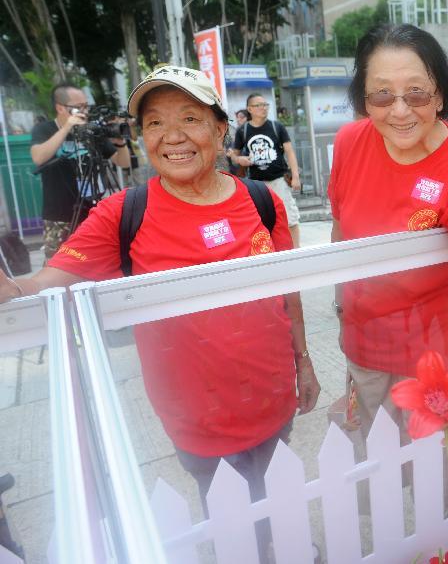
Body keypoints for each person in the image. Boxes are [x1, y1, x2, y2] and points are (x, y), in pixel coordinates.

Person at [1, 66, 320, 521]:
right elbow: (45, 281)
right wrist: (14, 287)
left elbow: (288, 290)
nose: (172, 136)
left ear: (220, 127)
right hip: (195, 420)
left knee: (277, 502)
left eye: (190, 118)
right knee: (232, 519)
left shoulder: (260, 201)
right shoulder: (124, 212)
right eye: (155, 123)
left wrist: (303, 360)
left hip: (273, 399)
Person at [329, 23, 448, 443]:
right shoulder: (350, 143)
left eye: (417, 93)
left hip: (433, 359)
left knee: (432, 478)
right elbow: (339, 231)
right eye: (382, 94)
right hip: (365, 344)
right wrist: (342, 311)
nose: (400, 111)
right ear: (364, 98)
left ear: (440, 95)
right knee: (371, 465)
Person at [30, 83, 131, 260]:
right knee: (58, 265)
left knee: (100, 263)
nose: (84, 111)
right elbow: (39, 157)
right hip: (60, 215)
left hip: (94, 212)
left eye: (86, 106)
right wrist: (68, 127)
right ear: (60, 108)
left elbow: (123, 162)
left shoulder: (91, 130)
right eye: (78, 107)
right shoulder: (45, 129)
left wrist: (120, 141)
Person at [231, 95, 302, 248]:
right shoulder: (243, 131)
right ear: (250, 109)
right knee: (260, 221)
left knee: (290, 218)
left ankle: (297, 251)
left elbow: (289, 151)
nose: (263, 108)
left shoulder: (277, 127)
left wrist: (295, 176)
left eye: (265, 104)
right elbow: (233, 154)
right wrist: (239, 160)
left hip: (278, 180)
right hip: (257, 185)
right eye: (259, 105)